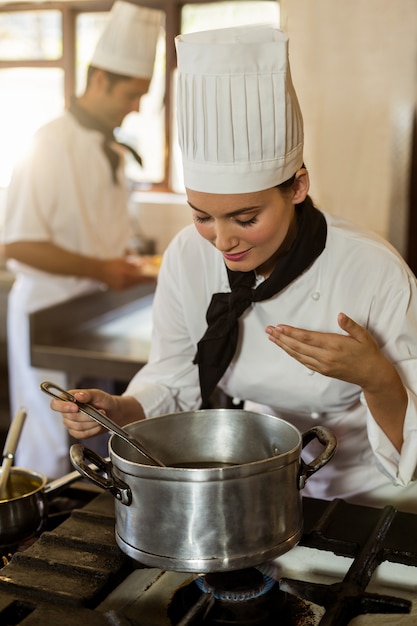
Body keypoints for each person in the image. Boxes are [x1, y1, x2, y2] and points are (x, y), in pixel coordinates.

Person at [49, 24, 417, 512]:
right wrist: (122, 410)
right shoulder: (188, 255)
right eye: (201, 215)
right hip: (266, 481)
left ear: (298, 187)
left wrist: (377, 378)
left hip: (374, 496)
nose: (222, 240)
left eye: (246, 218)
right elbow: (175, 374)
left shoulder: (372, 270)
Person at [2, 1, 164, 478]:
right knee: (49, 437)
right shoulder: (47, 144)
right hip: (46, 312)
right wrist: (102, 268)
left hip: (95, 308)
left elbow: (99, 235)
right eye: (132, 94)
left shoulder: (111, 148)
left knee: (93, 427)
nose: (136, 107)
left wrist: (123, 262)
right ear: (98, 81)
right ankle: (34, 530)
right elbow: (18, 245)